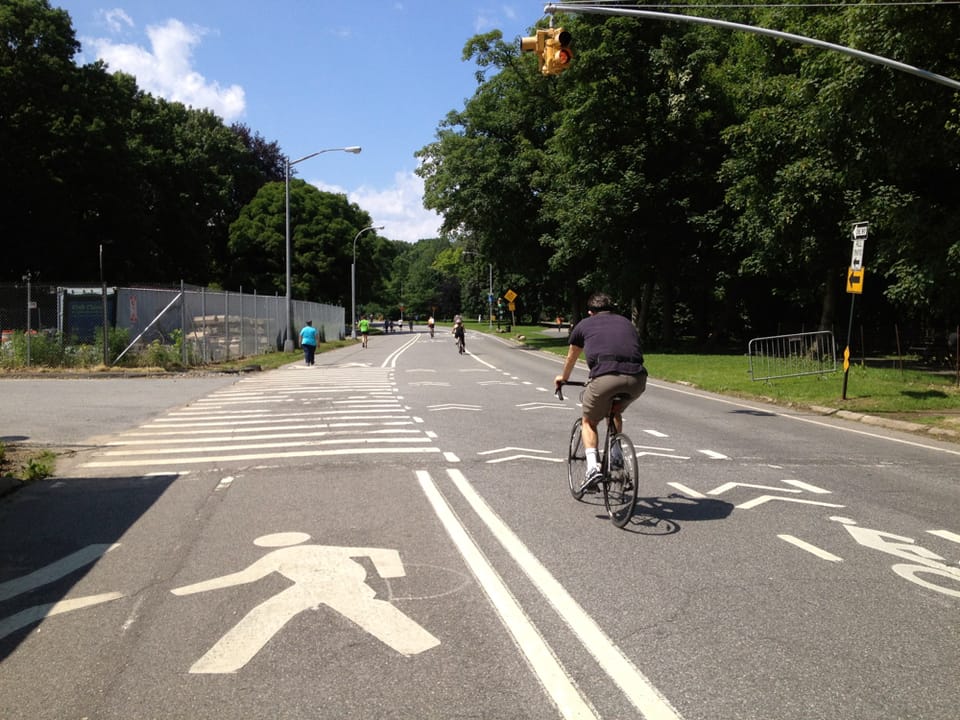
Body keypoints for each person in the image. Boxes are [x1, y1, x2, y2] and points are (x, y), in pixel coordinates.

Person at [553, 292, 647, 489]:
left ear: (590, 312)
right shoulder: (626, 323)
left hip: (605, 378)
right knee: (615, 411)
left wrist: (564, 378)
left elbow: (571, 356)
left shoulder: (584, 324)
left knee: (589, 421)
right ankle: (616, 456)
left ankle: (593, 469)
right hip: (638, 378)